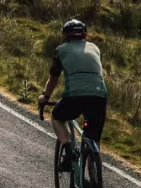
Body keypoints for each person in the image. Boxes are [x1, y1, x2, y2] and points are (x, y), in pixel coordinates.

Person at [38, 18, 108, 169]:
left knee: (57, 116)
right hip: (99, 96)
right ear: (84, 35)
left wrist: (45, 97)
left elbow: (53, 78)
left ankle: (67, 147)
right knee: (92, 139)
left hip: (75, 96)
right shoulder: (95, 48)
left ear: (66, 36)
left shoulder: (61, 50)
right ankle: (94, 181)